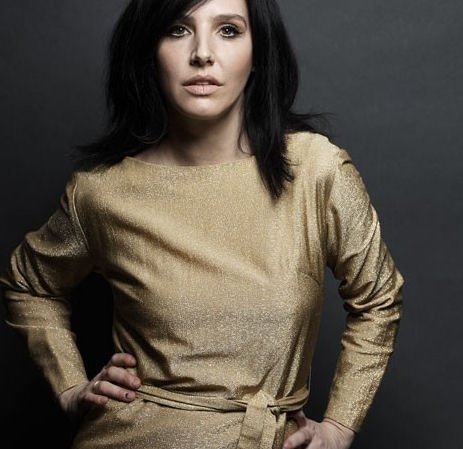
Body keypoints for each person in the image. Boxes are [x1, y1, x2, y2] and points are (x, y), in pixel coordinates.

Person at [0, 0, 404, 448]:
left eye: (228, 30)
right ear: (148, 50)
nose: (202, 54)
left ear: (258, 53)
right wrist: (70, 386)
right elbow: (29, 286)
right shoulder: (101, 193)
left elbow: (378, 299)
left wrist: (339, 426)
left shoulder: (316, 171)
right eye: (177, 29)